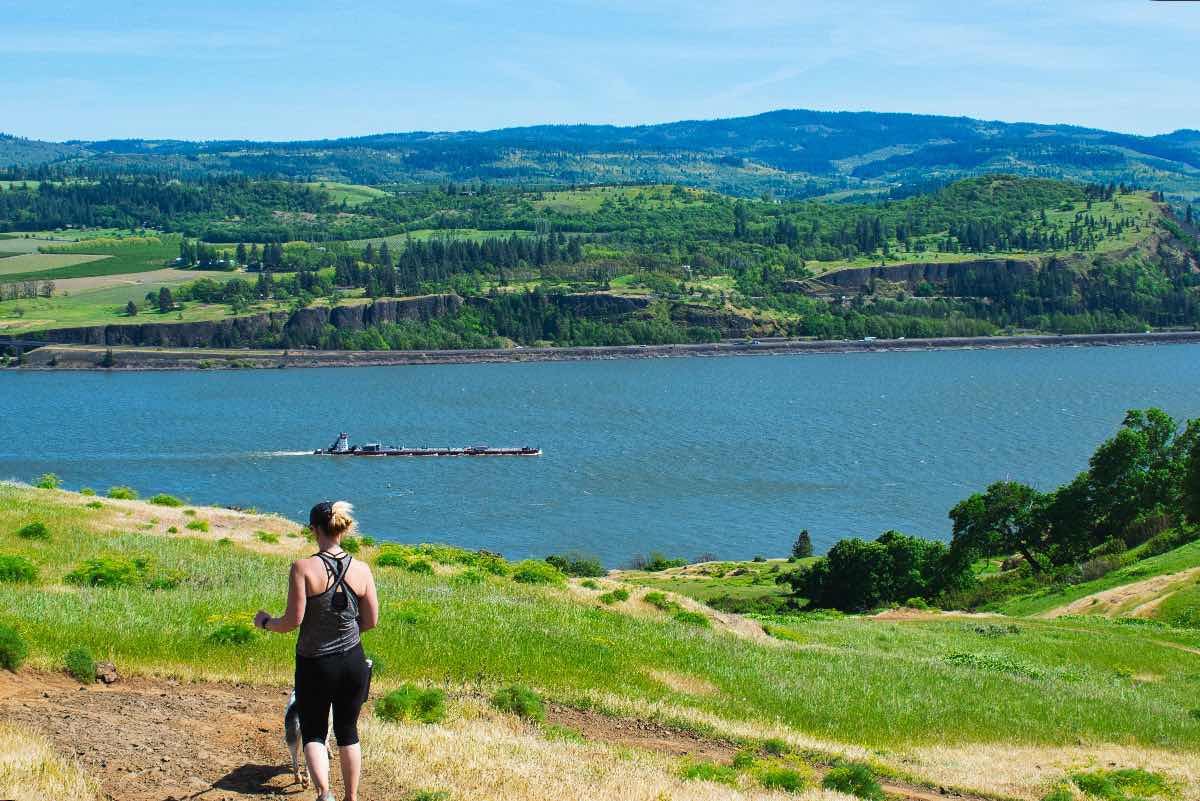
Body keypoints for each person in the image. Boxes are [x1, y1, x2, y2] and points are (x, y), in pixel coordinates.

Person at [256, 501, 380, 801]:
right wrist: (345, 633)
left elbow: (292, 621)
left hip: (315, 664)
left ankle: (325, 793)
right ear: (343, 529)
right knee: (348, 732)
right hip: (353, 662)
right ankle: (351, 797)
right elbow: (371, 621)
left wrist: (265, 622)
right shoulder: (362, 569)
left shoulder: (302, 568)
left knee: (313, 732)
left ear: (313, 530)